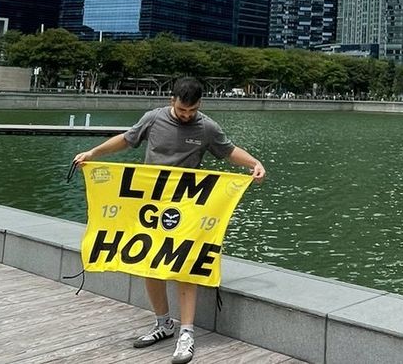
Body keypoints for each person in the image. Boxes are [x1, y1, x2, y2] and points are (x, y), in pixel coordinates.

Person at [72, 77, 266, 364]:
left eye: (192, 111)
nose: (187, 115)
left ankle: (186, 332)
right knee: (149, 262)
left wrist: (254, 163)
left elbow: (228, 151)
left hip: (187, 207)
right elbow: (127, 140)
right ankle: (163, 323)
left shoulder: (207, 126)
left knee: (185, 265)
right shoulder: (153, 119)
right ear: (172, 100)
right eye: (182, 110)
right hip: (150, 204)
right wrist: (93, 153)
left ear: (199, 105)